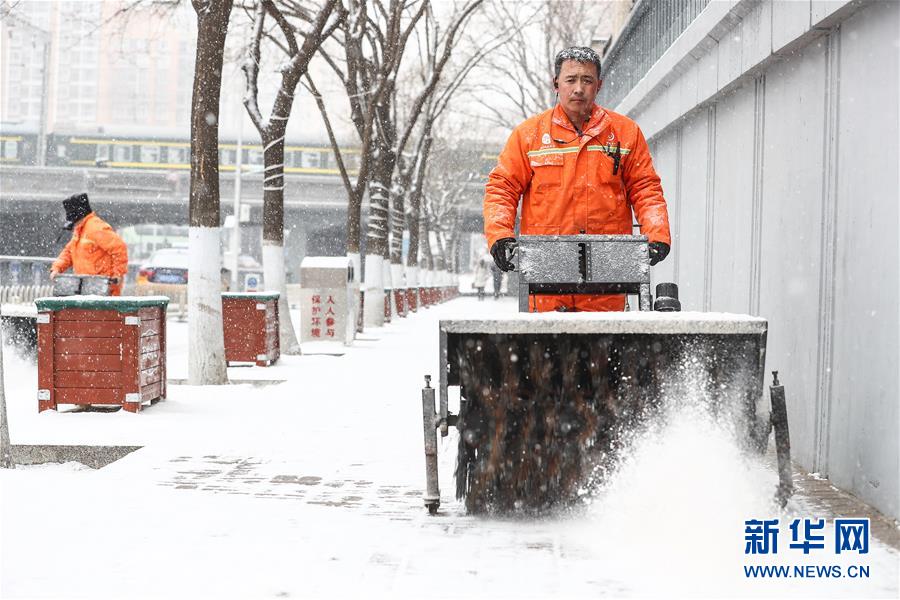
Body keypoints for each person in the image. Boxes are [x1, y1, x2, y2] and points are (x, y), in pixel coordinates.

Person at [483, 46, 671, 312]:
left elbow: (645, 188)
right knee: (545, 352)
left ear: (599, 85)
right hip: (545, 274)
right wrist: (500, 236)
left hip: (607, 275)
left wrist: (657, 234)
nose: (578, 88)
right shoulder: (529, 136)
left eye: (587, 80)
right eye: (571, 80)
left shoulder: (625, 134)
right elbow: (502, 188)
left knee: (605, 351)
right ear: (556, 83)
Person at [51, 193, 129, 296]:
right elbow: (69, 252)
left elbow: (119, 248)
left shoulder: (96, 228)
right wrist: (56, 268)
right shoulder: (80, 230)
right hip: (87, 287)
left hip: (103, 288)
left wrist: (117, 274)